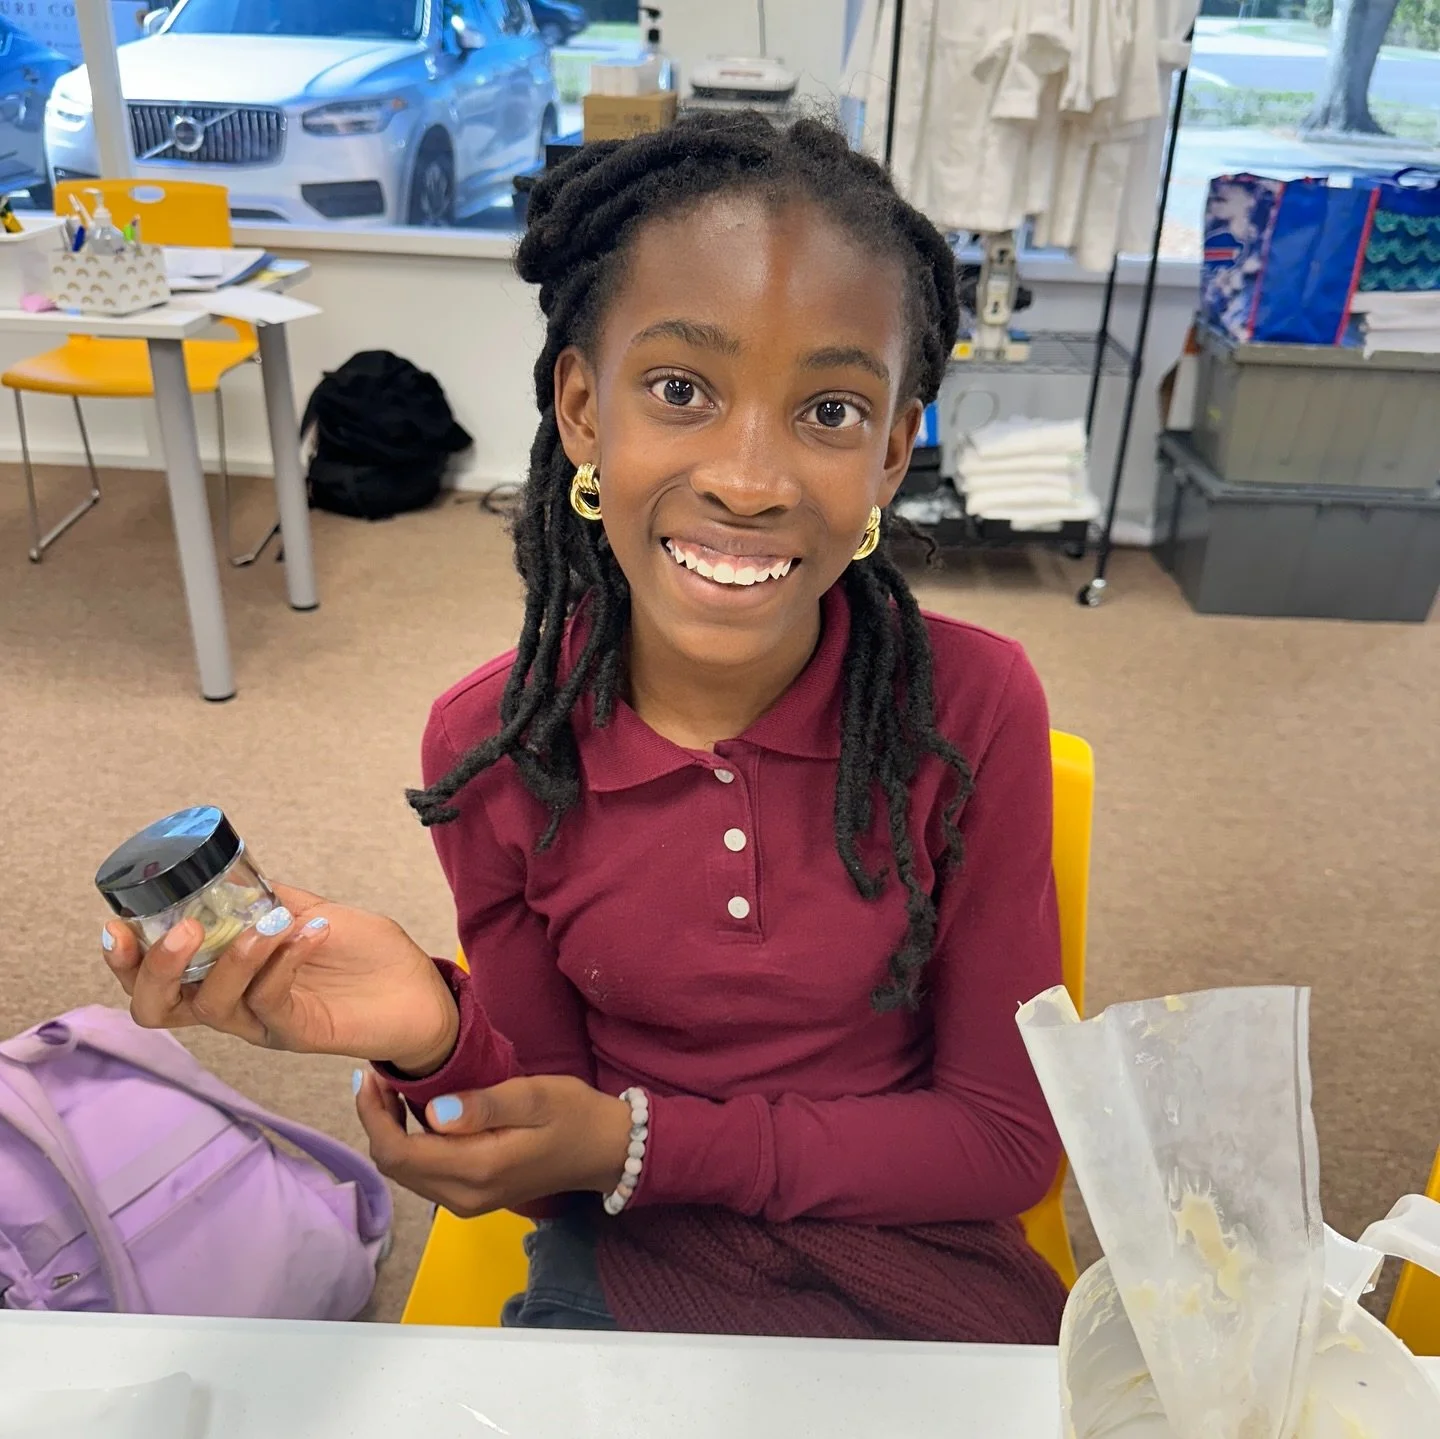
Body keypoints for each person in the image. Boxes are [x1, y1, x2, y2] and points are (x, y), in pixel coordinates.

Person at [103, 112, 1068, 1341]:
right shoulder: (498, 745)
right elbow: (551, 1150)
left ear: (892, 452)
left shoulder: (973, 709)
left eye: (830, 411)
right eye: (681, 390)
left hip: (917, 1251)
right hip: (632, 1251)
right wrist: (434, 1039)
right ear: (581, 410)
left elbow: (1002, 1142)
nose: (751, 477)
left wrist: (645, 1136)